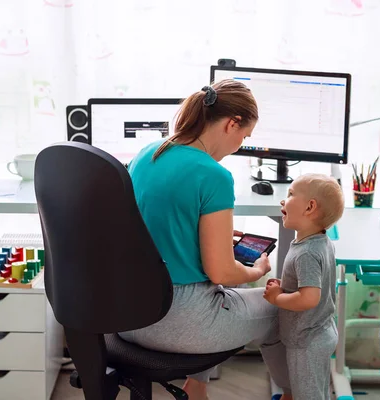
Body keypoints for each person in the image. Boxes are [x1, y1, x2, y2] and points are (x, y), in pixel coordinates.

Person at [119, 80, 286, 400]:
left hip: (127, 313)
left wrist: (206, 232)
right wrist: (258, 270)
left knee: (222, 284)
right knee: (285, 308)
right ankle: (293, 393)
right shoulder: (214, 175)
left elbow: (155, 226)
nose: (239, 145)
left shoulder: (147, 153)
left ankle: (197, 389)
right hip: (176, 321)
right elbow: (221, 273)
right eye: (243, 136)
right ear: (231, 124)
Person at [262, 173, 345, 400]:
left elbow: (309, 298)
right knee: (314, 390)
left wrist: (277, 298)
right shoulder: (319, 242)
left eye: (290, 194)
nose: (282, 201)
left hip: (307, 339)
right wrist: (285, 287)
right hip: (319, 330)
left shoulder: (307, 252)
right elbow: (311, 283)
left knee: (309, 394)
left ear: (309, 207)